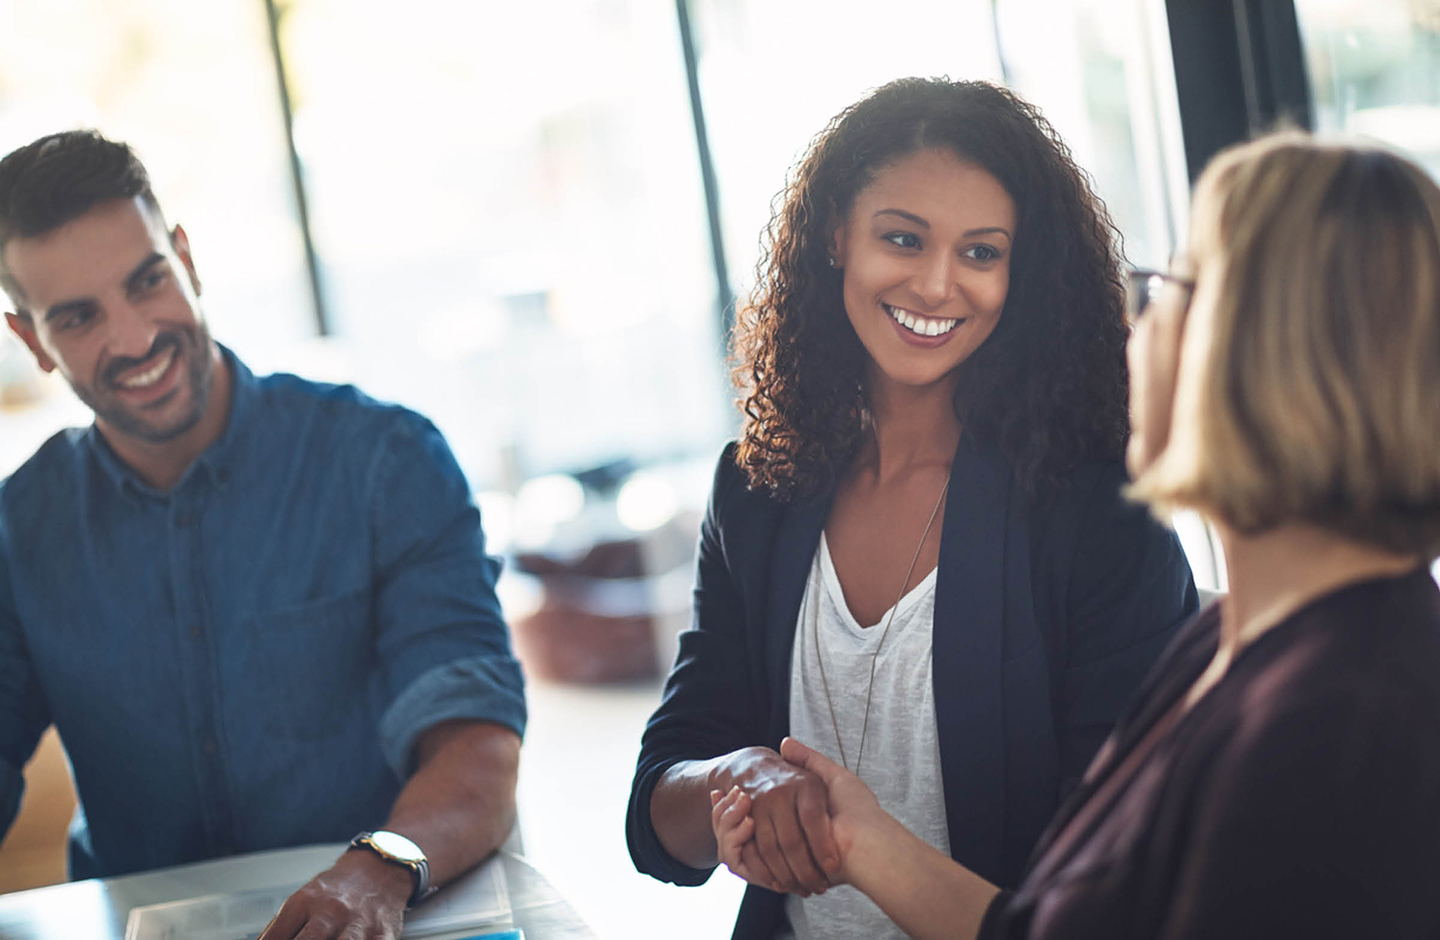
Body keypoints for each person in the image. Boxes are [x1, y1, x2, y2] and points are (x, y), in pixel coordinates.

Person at [716, 131, 1440, 939]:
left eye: (1175, 289)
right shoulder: (1231, 648)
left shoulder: (1345, 718)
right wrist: (859, 838)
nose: (1139, 323)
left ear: (1270, 353)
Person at [626, 77, 1197, 939]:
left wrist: (863, 839)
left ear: (1021, 272)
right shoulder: (755, 489)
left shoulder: (1096, 517)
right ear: (834, 239)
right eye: (902, 239)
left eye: (981, 253)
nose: (936, 285)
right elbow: (655, 810)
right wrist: (732, 779)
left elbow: (1122, 887)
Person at [0, 130, 526, 940]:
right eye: (79, 318)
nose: (136, 338)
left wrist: (372, 873)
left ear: (186, 258)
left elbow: (477, 745)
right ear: (31, 340)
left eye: (149, 281)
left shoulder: (385, 462)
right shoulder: (16, 530)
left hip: (384, 913)